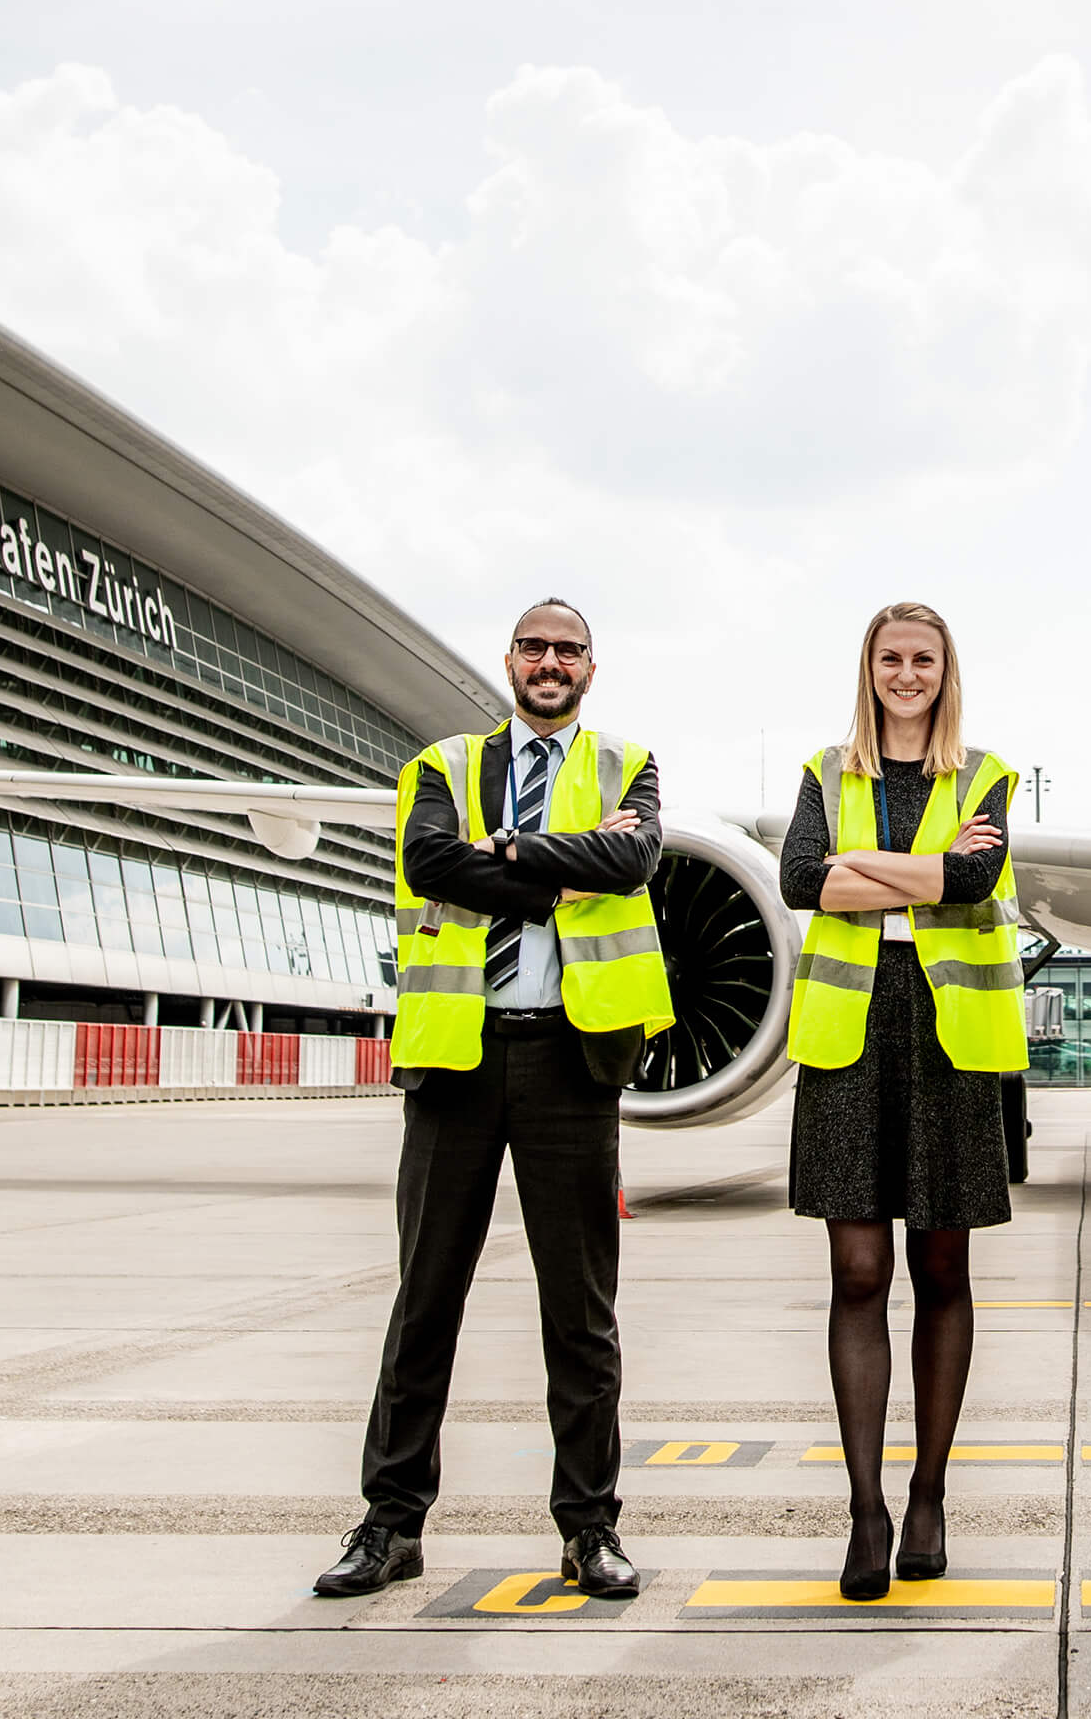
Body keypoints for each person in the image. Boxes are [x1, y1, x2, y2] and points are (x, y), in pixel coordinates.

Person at [317, 599, 675, 1600]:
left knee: (581, 1315)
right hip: (457, 1059)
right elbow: (432, 862)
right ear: (508, 662)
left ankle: (588, 1528)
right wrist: (558, 867)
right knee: (424, 1303)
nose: (550, 661)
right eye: (535, 646)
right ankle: (390, 1525)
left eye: (568, 649)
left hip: (573, 1058)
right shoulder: (439, 769)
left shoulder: (627, 766)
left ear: (590, 669)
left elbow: (635, 859)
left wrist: (507, 855)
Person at [779, 601, 1025, 1600]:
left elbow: (975, 881)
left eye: (924, 658)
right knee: (857, 1271)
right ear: (868, 668)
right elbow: (801, 879)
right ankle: (866, 1510)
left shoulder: (986, 774)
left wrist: (863, 871)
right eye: (892, 657)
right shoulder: (825, 772)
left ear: (944, 669)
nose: (908, 673)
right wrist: (920, 874)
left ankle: (927, 1495)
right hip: (850, 1036)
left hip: (947, 1033)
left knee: (940, 1263)